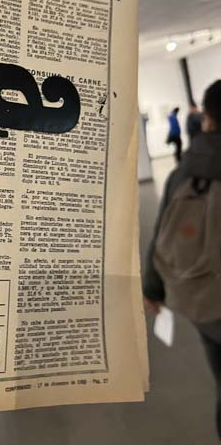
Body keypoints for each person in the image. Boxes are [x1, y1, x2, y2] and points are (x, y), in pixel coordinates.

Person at [144, 80, 221, 438]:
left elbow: (164, 230)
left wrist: (153, 288)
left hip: (204, 299)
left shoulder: (184, 171)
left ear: (208, 119)